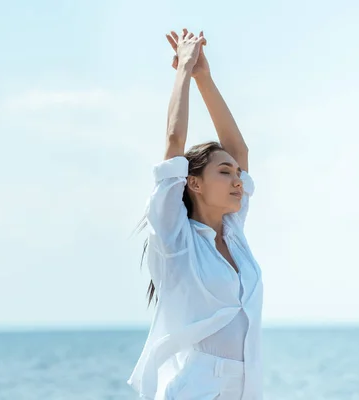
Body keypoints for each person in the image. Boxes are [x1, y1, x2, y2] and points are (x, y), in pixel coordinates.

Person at [127, 28, 264, 400]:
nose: (238, 180)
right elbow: (174, 145)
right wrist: (184, 71)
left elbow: (239, 149)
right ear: (194, 184)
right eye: (224, 172)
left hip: (246, 388)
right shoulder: (176, 239)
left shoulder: (234, 234)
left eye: (237, 173)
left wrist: (205, 76)